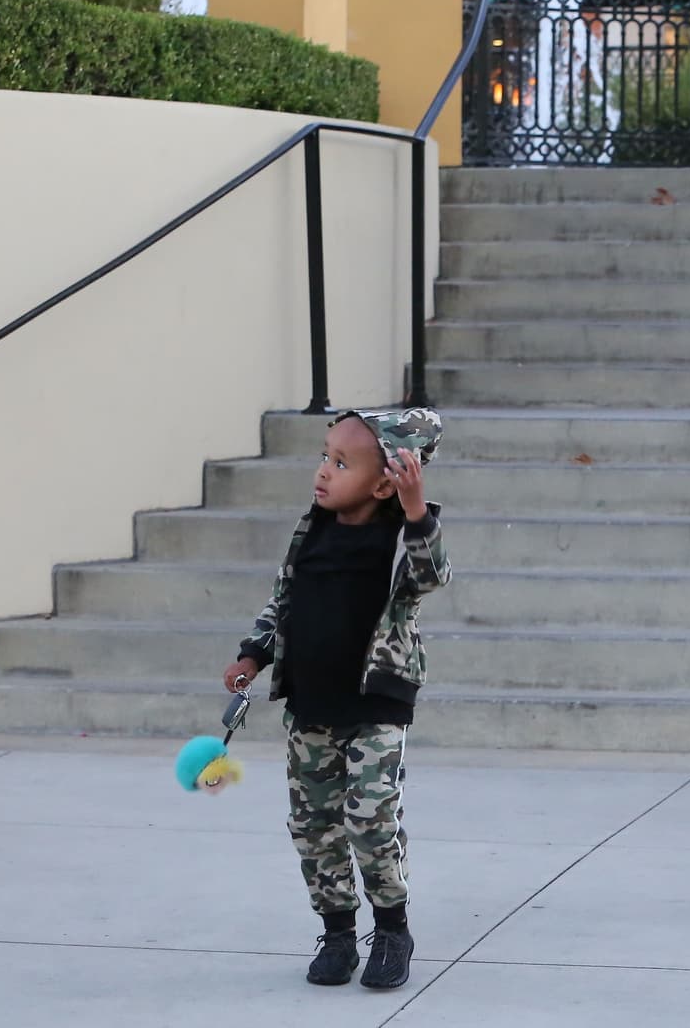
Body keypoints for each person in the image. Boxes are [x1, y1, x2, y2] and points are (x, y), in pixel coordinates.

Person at [222, 408, 452, 987]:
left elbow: (433, 574)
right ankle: (338, 933)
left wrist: (417, 506)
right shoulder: (311, 533)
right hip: (312, 705)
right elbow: (283, 602)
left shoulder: (401, 537)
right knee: (314, 825)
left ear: (382, 484)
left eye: (341, 463)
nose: (324, 471)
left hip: (376, 705)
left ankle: (392, 930)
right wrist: (253, 653)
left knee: (371, 819)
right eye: (325, 456)